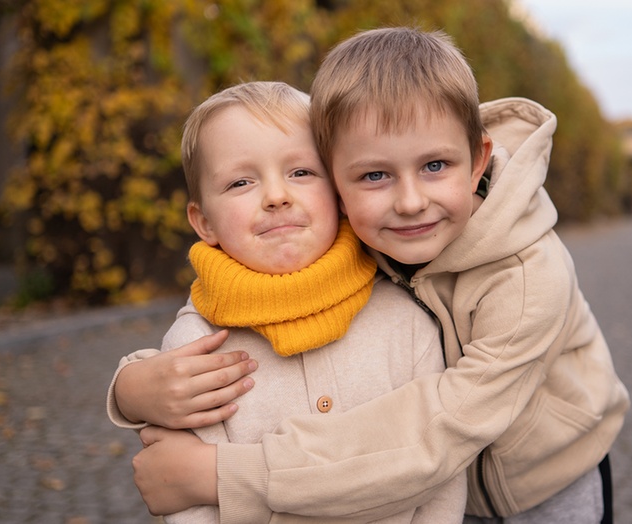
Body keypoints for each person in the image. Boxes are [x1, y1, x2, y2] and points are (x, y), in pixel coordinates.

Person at [130, 27, 631, 523]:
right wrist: (132, 387)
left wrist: (226, 475)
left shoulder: (527, 281)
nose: (410, 202)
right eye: (374, 175)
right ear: (335, 180)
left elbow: (438, 433)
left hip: (543, 490)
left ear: (479, 161)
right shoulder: (353, 233)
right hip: (420, 489)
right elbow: (244, 297)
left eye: (435, 165)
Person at [106, 80, 467, 523]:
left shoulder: (406, 323)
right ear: (205, 223)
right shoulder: (196, 346)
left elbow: (442, 479)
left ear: (338, 192)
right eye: (241, 182)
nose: (277, 196)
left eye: (301, 172)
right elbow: (188, 499)